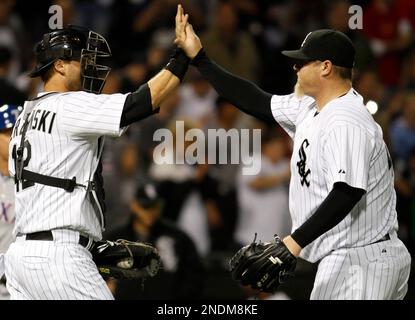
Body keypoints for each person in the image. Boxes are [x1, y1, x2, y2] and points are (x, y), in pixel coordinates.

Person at [174, 5, 412, 299]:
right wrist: (200, 59)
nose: (296, 67)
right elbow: (255, 100)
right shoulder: (311, 107)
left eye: (304, 62)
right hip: (355, 258)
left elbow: (347, 191)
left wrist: (292, 244)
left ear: (325, 67)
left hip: (363, 259)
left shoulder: (345, 119)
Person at [5, 13, 192, 300]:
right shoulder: (69, 105)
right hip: (58, 254)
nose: (91, 67)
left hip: (21, 255)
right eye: (83, 60)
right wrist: (181, 57)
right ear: (59, 65)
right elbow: (141, 103)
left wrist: (90, 246)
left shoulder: (25, 115)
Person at [106, 182, 204, 299]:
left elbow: (194, 276)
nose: (151, 212)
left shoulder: (177, 238)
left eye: (154, 206)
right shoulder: (114, 239)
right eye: (146, 206)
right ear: (134, 205)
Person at [0, 103, 23, 299]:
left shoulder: (38, 182)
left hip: (27, 286)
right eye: (9, 133)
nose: (16, 140)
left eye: (19, 133)